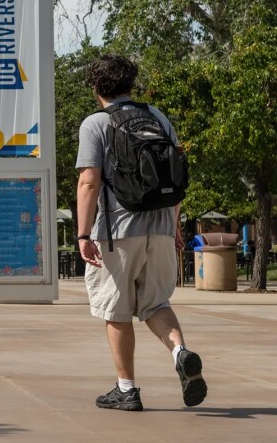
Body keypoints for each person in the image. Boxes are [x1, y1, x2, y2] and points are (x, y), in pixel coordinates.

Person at [76, 53, 207, 411]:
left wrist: (84, 235)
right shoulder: (158, 117)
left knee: (115, 309)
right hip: (162, 226)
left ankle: (127, 389)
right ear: (131, 84)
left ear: (96, 88)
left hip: (118, 229)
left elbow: (89, 181)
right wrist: (175, 224)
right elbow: (176, 175)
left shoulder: (95, 124)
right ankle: (180, 352)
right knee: (156, 303)